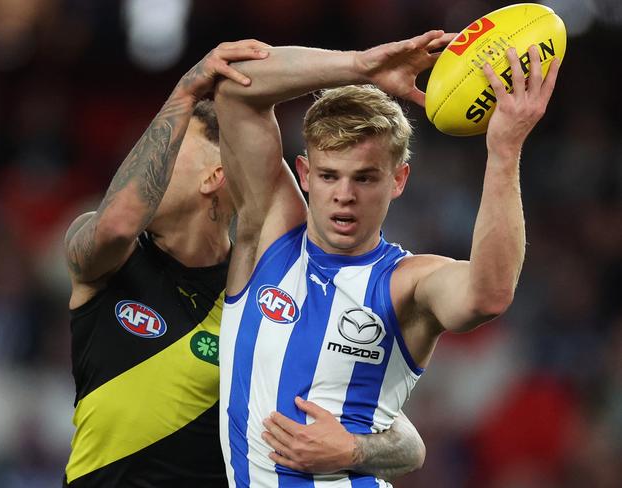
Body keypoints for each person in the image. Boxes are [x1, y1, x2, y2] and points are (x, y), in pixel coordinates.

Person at [62, 40, 425, 487]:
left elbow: (404, 440)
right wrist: (182, 94)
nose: (139, 167)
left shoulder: (269, 286)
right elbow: (118, 223)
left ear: (215, 177)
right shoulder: (107, 259)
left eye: (166, 148)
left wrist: (355, 449)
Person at [214, 31, 560, 487]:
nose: (344, 196)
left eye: (365, 178)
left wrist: (504, 151)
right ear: (305, 174)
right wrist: (360, 66)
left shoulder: (406, 283)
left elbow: (490, 294)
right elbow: (236, 88)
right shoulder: (268, 236)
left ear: (398, 180)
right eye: (329, 175)